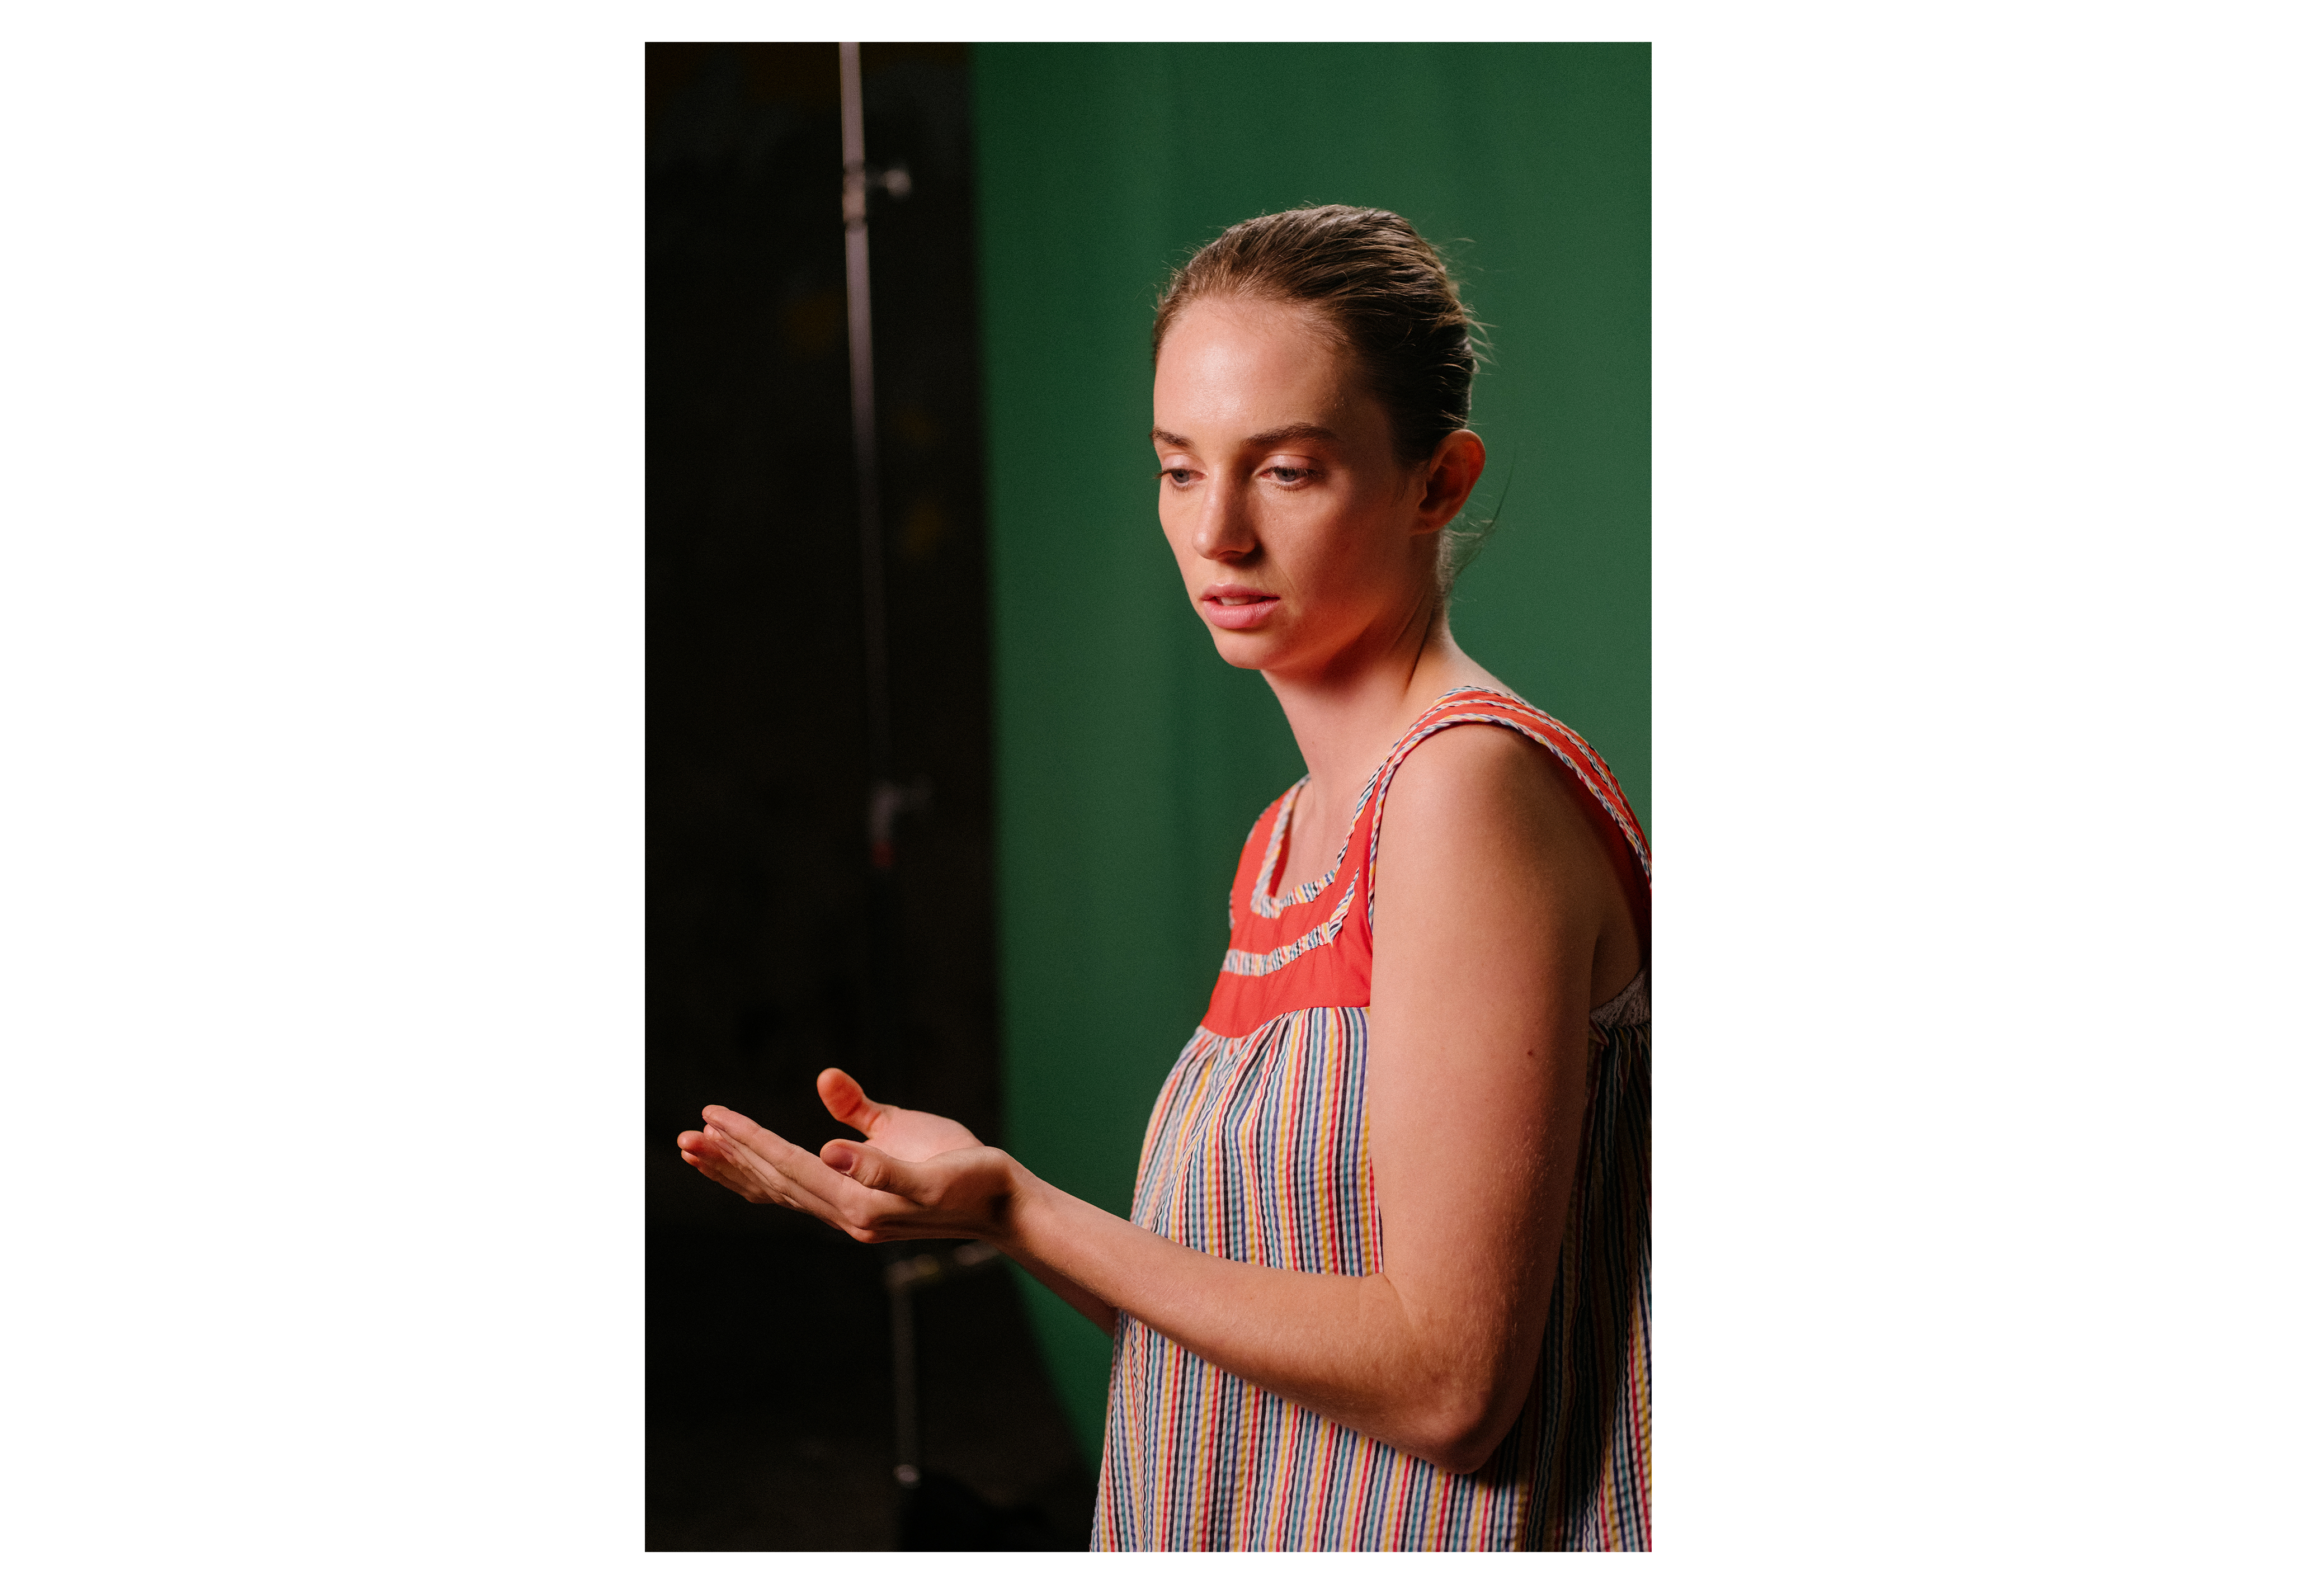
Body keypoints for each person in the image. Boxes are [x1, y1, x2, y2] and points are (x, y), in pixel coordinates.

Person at [678, 204, 1649, 1551]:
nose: (1218, 533)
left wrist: (1021, 1203)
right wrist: (999, 1220)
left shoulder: (1461, 792)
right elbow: (1255, 1325)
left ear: (1438, 483)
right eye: (1179, 469)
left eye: (1287, 470)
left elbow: (1447, 1384)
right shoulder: (1291, 838)